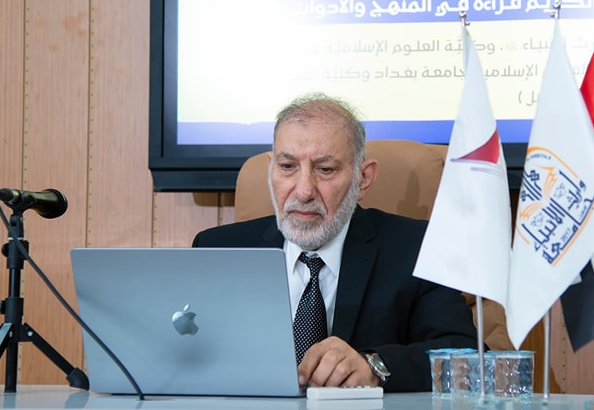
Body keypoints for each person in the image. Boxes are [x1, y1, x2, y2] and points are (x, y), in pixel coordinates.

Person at [192, 93, 479, 392]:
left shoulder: (416, 248)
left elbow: (467, 358)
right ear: (271, 169)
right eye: (288, 166)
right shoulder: (217, 250)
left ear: (363, 179)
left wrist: (375, 366)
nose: (304, 191)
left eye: (325, 170)